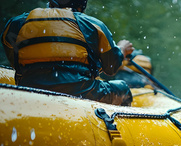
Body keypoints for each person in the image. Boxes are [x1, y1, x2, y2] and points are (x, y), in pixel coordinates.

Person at [1, 0, 134, 106]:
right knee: (123, 90)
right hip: (81, 94)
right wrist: (122, 49)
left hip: (28, 91)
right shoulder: (92, 24)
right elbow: (111, 67)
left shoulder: (17, 24)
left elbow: (16, 63)